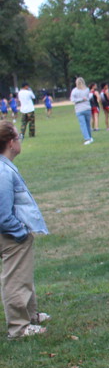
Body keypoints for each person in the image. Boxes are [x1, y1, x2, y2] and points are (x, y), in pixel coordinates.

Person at [0, 121, 49, 339]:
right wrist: (19, 231)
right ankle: (19, 328)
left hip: (11, 233)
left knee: (23, 275)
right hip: (9, 235)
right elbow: (2, 214)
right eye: (18, 137)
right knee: (15, 279)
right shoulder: (2, 171)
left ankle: (30, 316)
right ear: (11, 143)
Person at [70, 78, 94, 145]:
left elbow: (72, 100)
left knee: (83, 125)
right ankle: (90, 137)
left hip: (79, 109)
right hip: (87, 108)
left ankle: (87, 138)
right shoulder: (87, 89)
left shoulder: (74, 91)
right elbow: (90, 97)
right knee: (88, 124)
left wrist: (80, 99)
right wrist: (84, 99)